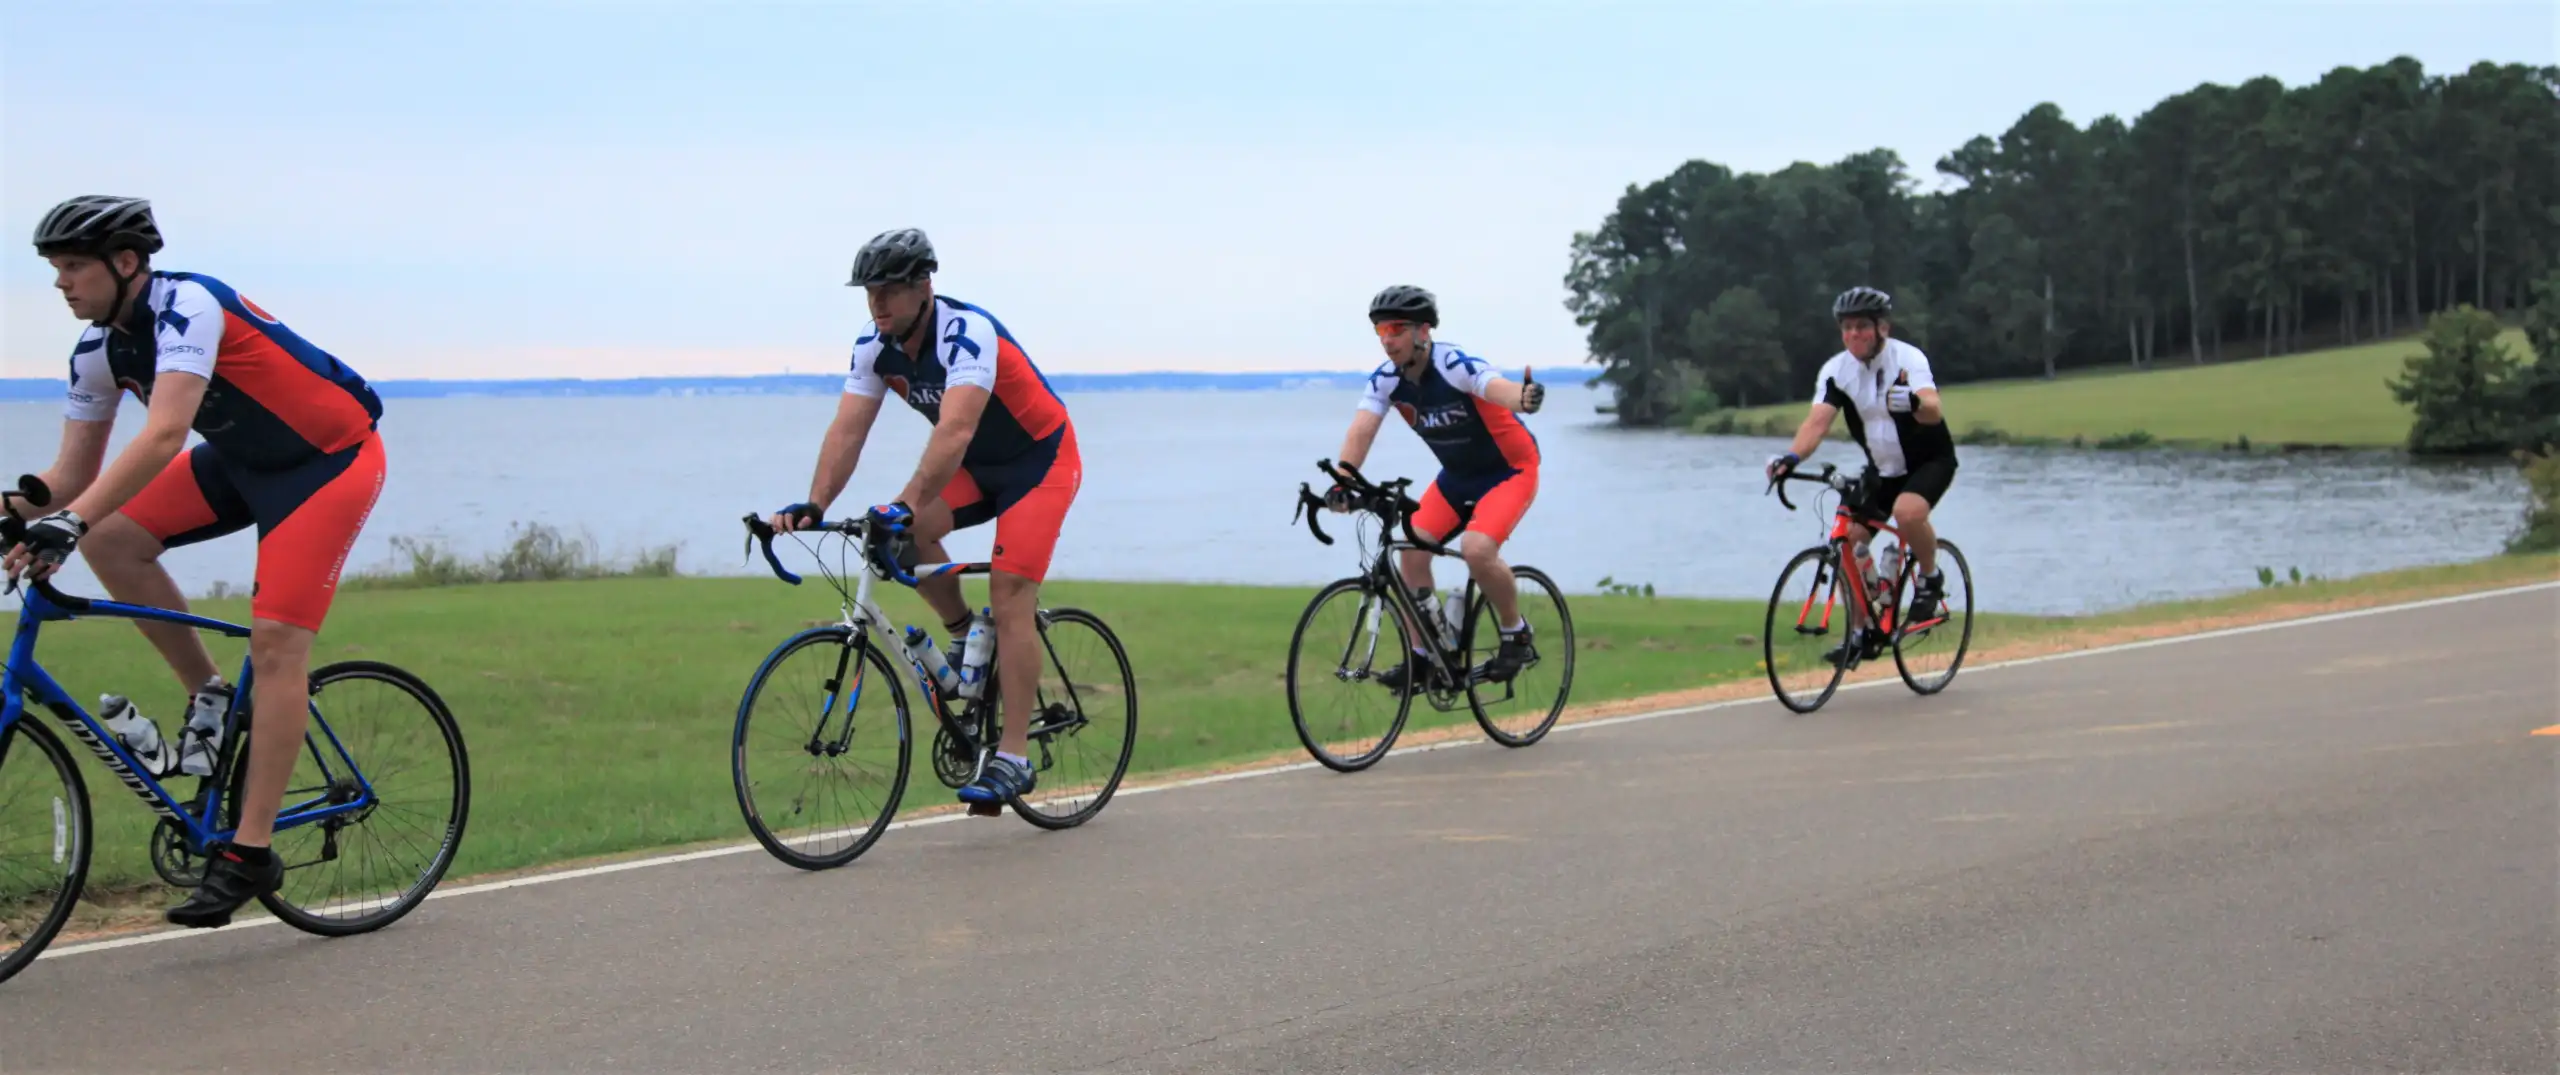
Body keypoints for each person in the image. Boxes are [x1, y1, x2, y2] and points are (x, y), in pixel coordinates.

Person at [3, 195, 388, 927]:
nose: (61, 283)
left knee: (277, 644)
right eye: (56, 269)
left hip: (329, 462)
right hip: (244, 461)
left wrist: (70, 522)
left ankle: (249, 851)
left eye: (74, 266)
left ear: (125, 263)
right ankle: (210, 694)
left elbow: (164, 435)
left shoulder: (189, 305)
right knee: (113, 540)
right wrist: (18, 514)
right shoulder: (97, 349)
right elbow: (69, 477)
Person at [766, 227, 1081, 806]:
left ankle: (1013, 756)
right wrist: (816, 504)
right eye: (869, 291)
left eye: (888, 289)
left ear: (923, 286)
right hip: (977, 467)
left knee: (1011, 593)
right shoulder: (873, 345)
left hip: (1040, 461)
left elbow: (955, 430)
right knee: (900, 539)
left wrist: (906, 502)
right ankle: (964, 637)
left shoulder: (967, 334)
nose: (877, 303)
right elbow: (848, 429)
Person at [1328, 284, 1546, 692]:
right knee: (1409, 552)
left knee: (1476, 549)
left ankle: (1515, 631)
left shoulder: (1452, 363)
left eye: (1396, 328)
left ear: (1422, 331)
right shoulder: (1387, 381)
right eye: (1380, 331)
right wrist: (1342, 484)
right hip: (1458, 478)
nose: (1387, 339)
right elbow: (1362, 429)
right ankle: (1425, 656)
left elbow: (1491, 386)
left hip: (1509, 471)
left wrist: (1523, 397)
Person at [1764, 285, 1958, 664]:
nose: (1854, 335)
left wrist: (1916, 401)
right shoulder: (1837, 371)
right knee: (1849, 543)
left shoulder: (1907, 358)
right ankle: (1862, 631)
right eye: (1847, 328)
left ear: (1881, 328)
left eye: (1862, 327)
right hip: (1883, 470)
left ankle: (1930, 577)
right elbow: (1817, 423)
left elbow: (1933, 408)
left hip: (1929, 462)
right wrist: (1791, 457)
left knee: (1907, 513)